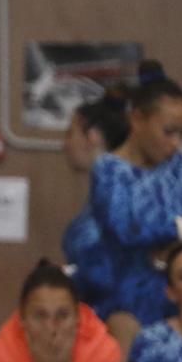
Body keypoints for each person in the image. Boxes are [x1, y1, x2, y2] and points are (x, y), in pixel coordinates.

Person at [88, 60, 182, 357]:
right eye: (169, 131)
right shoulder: (109, 171)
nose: (176, 143)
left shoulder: (179, 167)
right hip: (124, 304)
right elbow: (127, 231)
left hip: (177, 305)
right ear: (137, 119)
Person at [61, 90, 129, 311]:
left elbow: (112, 269)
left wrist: (69, 274)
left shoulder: (121, 192)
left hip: (118, 314)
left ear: (93, 137)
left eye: (70, 133)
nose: (65, 144)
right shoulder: (102, 191)